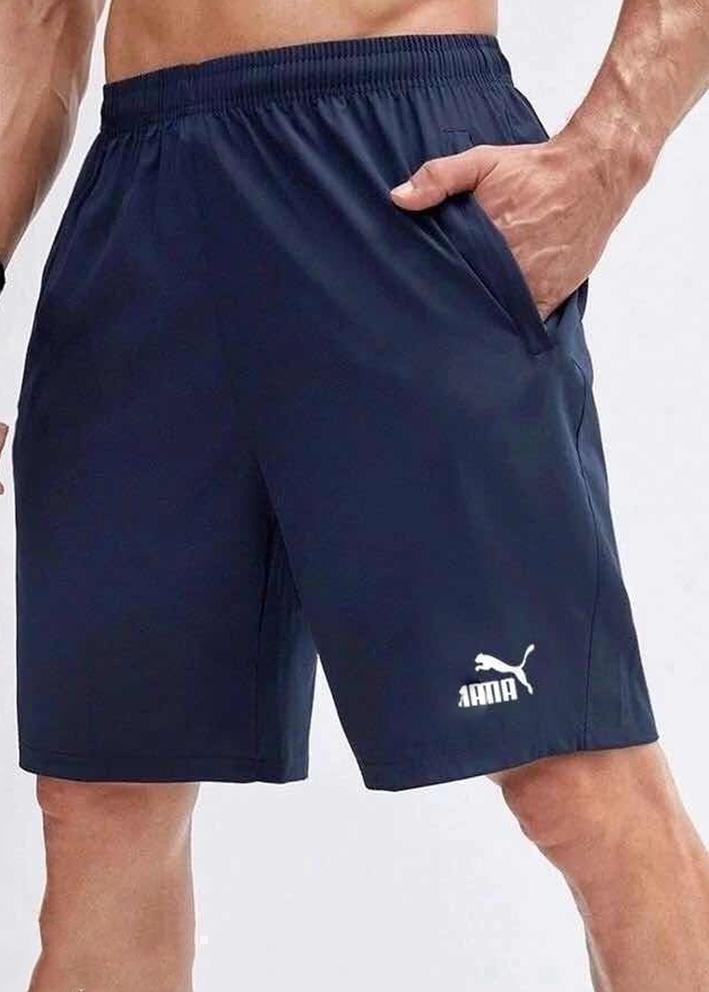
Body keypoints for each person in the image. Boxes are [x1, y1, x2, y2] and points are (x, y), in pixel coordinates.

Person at [0, 1, 707, 989]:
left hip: (394, 164)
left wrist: (607, 154)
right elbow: (37, 19)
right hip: (140, 198)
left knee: (569, 771)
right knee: (100, 797)